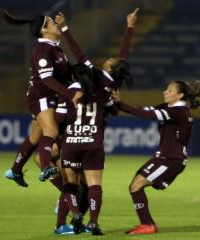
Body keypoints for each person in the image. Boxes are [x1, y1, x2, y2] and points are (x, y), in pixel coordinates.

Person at [111, 80, 200, 234]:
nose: (165, 92)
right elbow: (143, 110)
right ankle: (147, 224)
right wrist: (116, 104)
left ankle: (148, 225)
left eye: (170, 90)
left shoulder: (179, 112)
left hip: (171, 160)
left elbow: (147, 115)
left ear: (180, 95)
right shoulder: (168, 108)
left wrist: (120, 103)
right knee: (135, 186)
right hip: (164, 158)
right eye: (166, 89)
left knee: (136, 186)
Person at [1, 9, 82, 184]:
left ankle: (15, 170)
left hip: (47, 96)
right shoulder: (43, 50)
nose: (55, 24)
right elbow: (46, 79)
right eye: (52, 22)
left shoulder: (54, 49)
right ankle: (45, 167)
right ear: (44, 29)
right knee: (51, 131)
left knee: (35, 137)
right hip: (41, 97)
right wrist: (69, 94)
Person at [54, 63, 119, 235]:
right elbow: (114, 110)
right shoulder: (102, 92)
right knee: (94, 185)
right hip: (93, 143)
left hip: (71, 143)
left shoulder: (67, 92)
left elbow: (59, 119)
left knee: (70, 184)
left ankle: (75, 213)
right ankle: (94, 222)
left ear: (74, 77)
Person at [54, 8, 139, 91]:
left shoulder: (97, 76)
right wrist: (130, 26)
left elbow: (79, 53)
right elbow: (124, 54)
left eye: (111, 60)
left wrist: (64, 28)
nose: (110, 58)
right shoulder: (114, 84)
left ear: (110, 70)